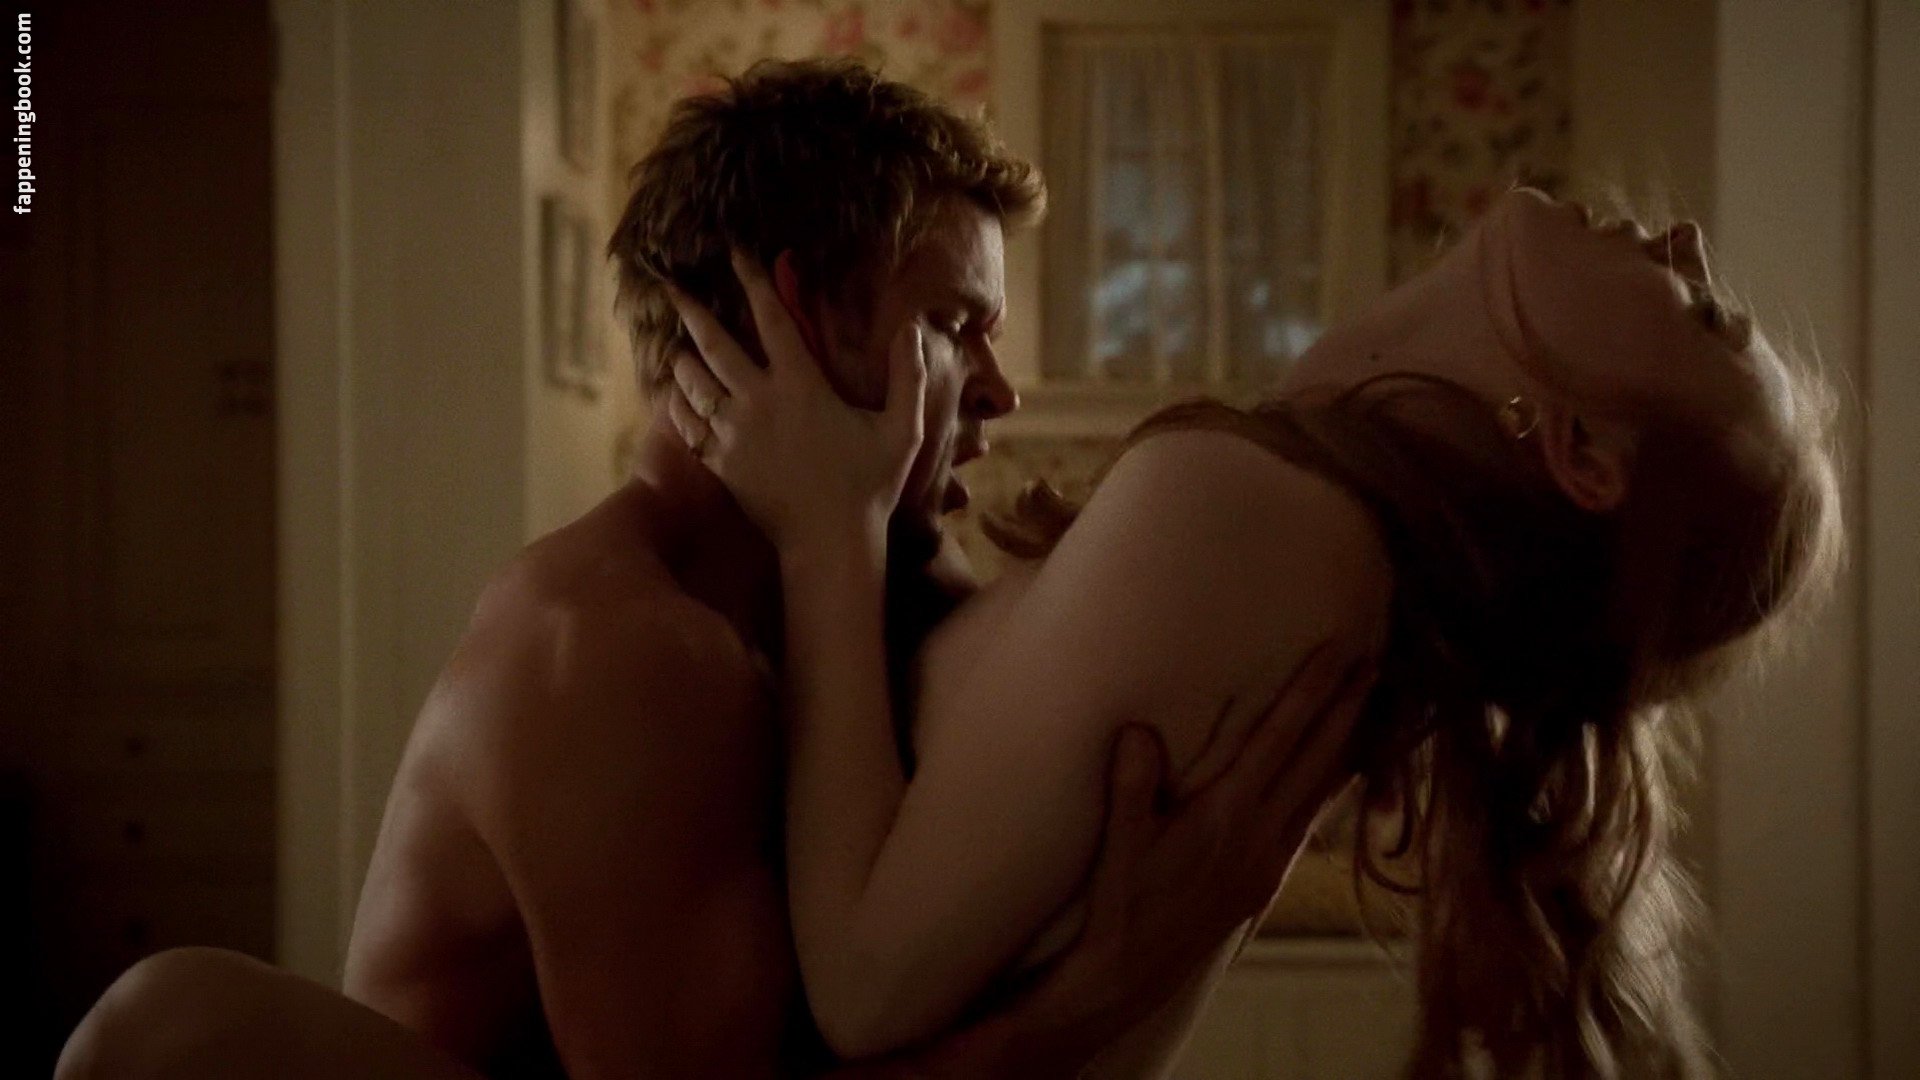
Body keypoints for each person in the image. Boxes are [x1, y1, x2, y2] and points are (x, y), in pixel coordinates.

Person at [55, 59, 1352, 1080]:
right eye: (958, 328)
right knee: (177, 1019)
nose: (1001, 391)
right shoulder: (620, 648)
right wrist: (1110, 986)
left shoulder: (849, 588)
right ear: (798, 319)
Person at [662, 186, 1843, 1078]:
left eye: (1706, 317)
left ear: (1582, 452)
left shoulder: (1264, 518)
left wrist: (829, 535)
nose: (1687, 242)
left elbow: (867, 987)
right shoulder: (1319, 552)